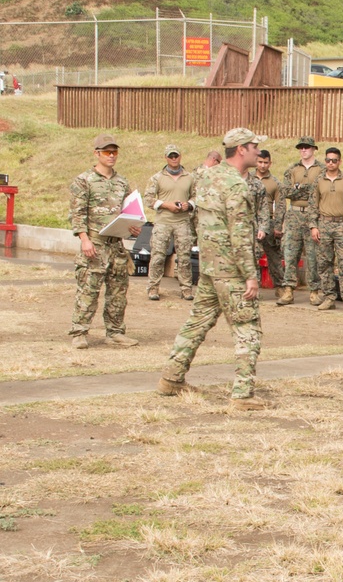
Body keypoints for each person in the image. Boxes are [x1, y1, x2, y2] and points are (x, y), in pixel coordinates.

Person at [158, 128, 267, 411]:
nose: (259, 151)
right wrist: (251, 276)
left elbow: (199, 201)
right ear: (241, 149)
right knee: (247, 328)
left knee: (196, 323)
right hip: (231, 271)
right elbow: (240, 235)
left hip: (208, 266)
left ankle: (171, 377)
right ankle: (243, 394)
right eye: (254, 146)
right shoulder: (236, 186)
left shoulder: (206, 176)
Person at [68, 134, 142, 349]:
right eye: (107, 152)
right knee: (88, 290)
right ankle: (79, 332)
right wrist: (84, 239)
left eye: (114, 152)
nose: (111, 156)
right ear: (96, 154)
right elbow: (77, 213)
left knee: (118, 292)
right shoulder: (83, 181)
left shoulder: (122, 182)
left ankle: (115, 332)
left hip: (116, 245)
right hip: (95, 244)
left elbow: (129, 210)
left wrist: (133, 227)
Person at [308, 146, 343, 313]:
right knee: (324, 264)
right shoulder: (318, 180)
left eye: (334, 160)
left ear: (339, 161)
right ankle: (329, 297)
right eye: (328, 160)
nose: (330, 163)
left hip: (341, 225)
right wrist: (313, 226)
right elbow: (312, 205)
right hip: (323, 224)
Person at [143, 144, 196, 301]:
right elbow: (148, 199)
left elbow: (197, 196)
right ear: (166, 158)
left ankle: (186, 288)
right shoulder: (157, 178)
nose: (174, 159)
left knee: (185, 257)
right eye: (171, 156)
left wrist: (189, 205)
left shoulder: (189, 177)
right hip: (163, 222)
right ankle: (153, 288)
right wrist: (166, 205)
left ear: (180, 156)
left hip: (183, 222)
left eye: (176, 156)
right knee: (158, 256)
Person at [276, 137, 324, 306]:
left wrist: (299, 187)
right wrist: (304, 189)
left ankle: (314, 291)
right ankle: (288, 290)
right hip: (294, 215)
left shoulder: (322, 169)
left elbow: (320, 192)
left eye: (307, 147)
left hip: (313, 215)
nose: (303, 150)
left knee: (313, 255)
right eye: (301, 148)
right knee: (290, 254)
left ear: (313, 149)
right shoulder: (292, 169)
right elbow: (286, 192)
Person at [253, 150, 284, 296]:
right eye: (260, 162)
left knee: (274, 257)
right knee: (253, 255)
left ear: (270, 163)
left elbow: (280, 205)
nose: (263, 165)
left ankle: (280, 287)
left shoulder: (275, 182)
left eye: (266, 162)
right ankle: (254, 288)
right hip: (252, 222)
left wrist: (278, 226)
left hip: (270, 222)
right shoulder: (248, 179)